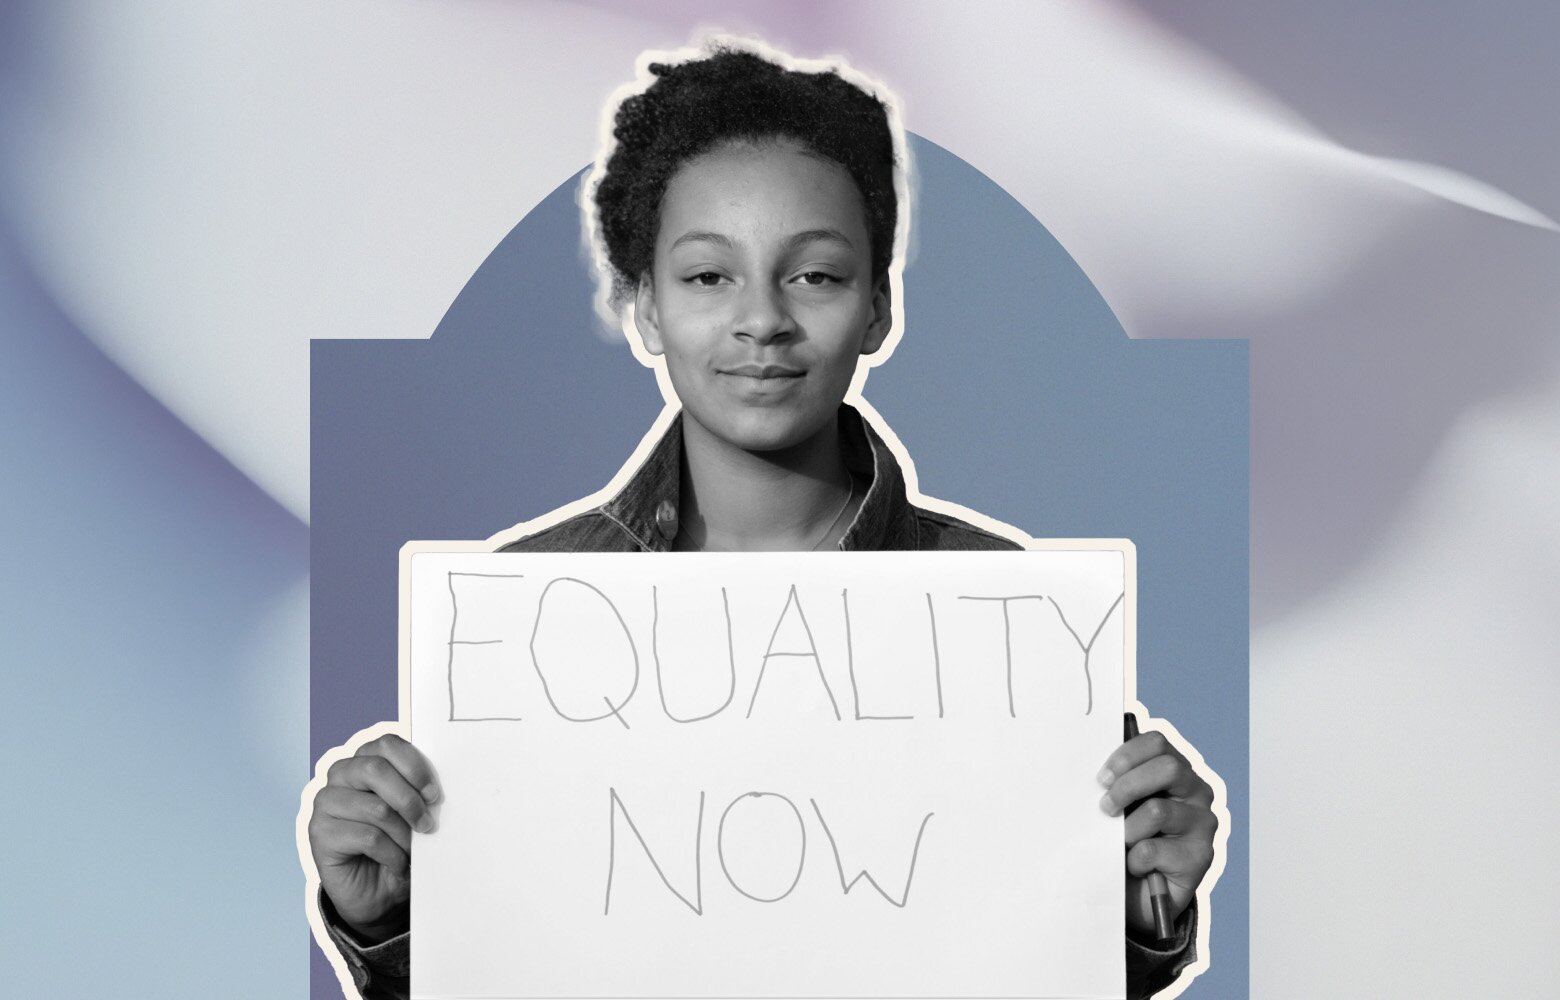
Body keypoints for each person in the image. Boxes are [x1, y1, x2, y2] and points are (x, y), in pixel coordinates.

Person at [306, 41, 1219, 1000]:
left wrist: (1144, 912)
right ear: (642, 308)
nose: (762, 321)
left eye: (815, 275)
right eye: (708, 277)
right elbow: (508, 956)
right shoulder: (523, 617)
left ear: (879, 308)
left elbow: (1040, 955)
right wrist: (386, 916)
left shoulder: (1013, 620)